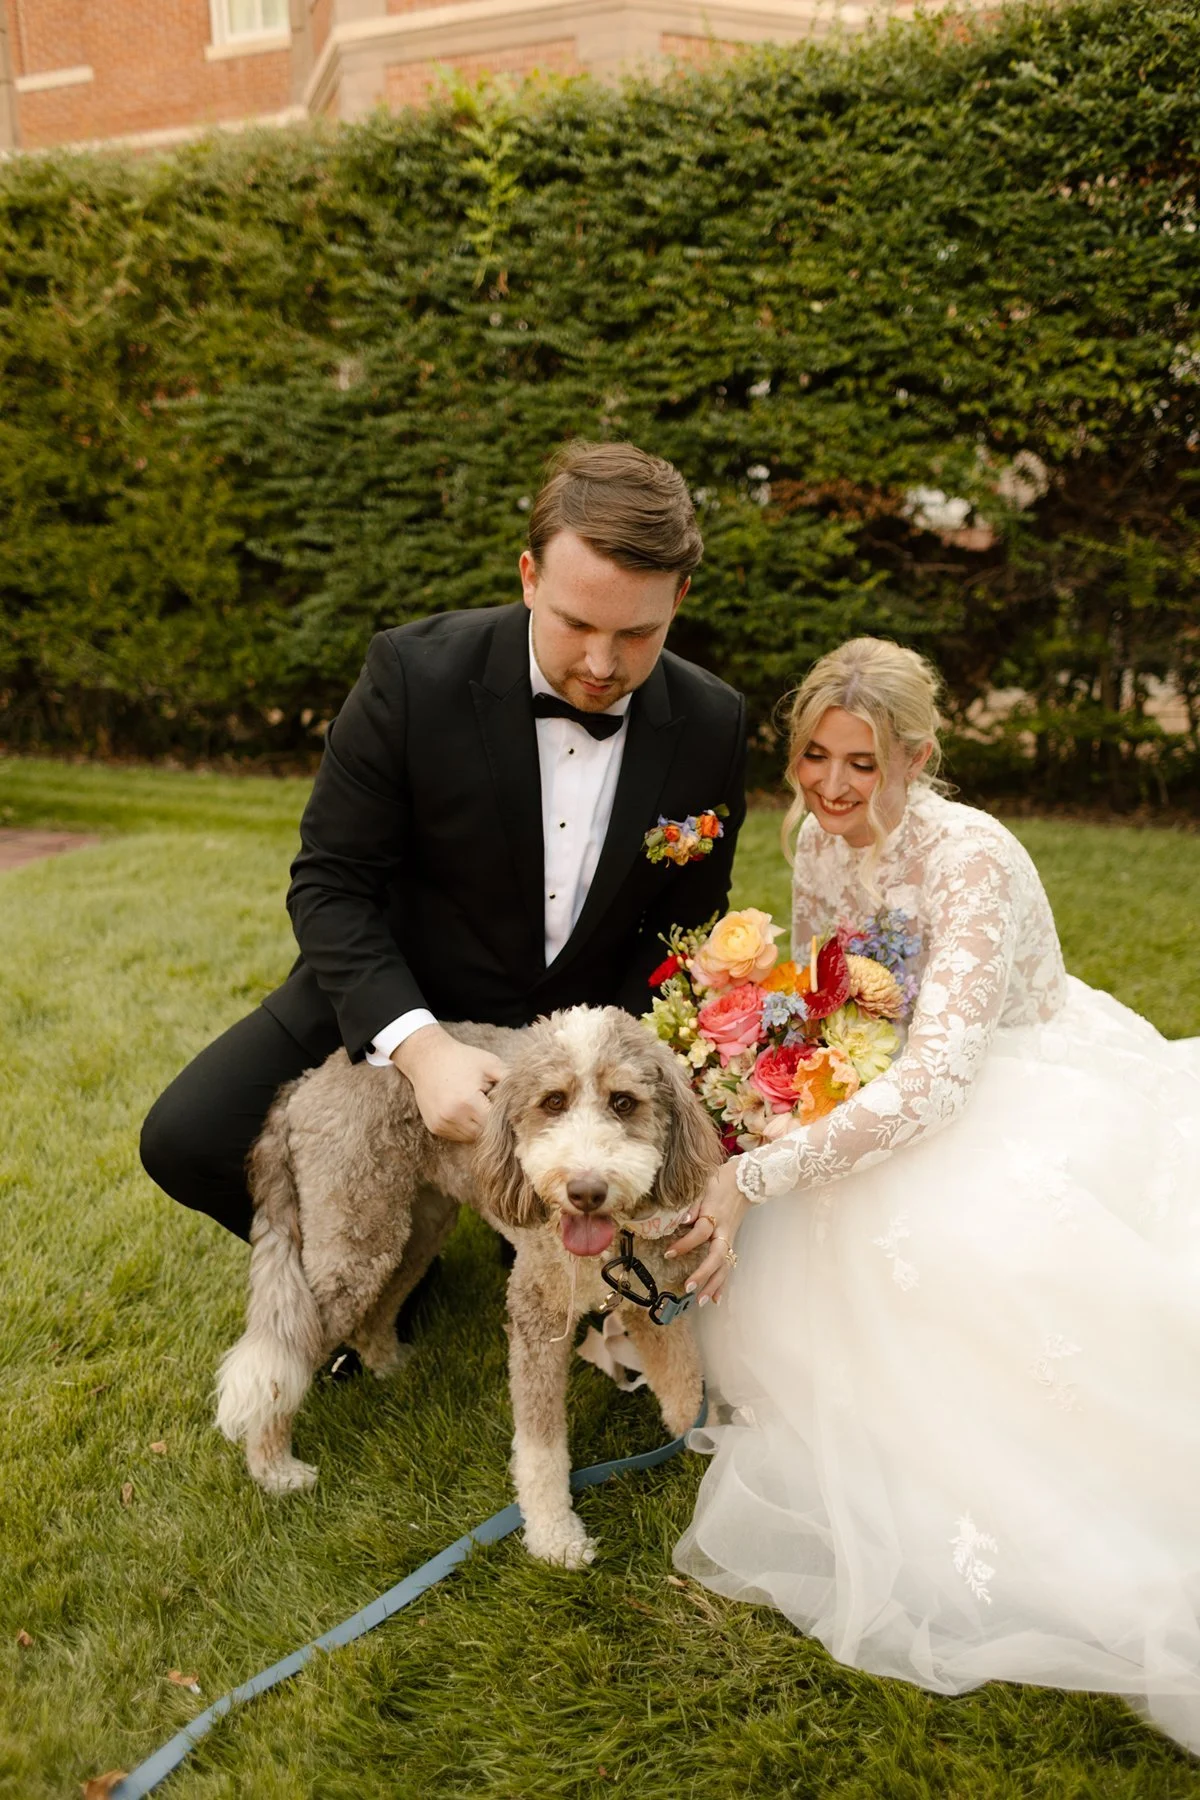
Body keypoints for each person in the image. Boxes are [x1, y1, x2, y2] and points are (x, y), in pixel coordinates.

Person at [667, 636, 1200, 1754]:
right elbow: (821, 996)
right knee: (819, 1224)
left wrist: (756, 1169)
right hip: (879, 1077)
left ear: (918, 758)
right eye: (815, 756)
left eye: (862, 763)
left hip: (1008, 1087)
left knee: (943, 1245)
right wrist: (774, 1089)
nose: (832, 786)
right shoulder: (814, 836)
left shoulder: (973, 860)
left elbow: (943, 1079)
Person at [140, 440, 746, 1249]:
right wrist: (421, 1051)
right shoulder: (411, 674)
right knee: (187, 1140)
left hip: (571, 1041)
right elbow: (330, 884)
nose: (602, 664)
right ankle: (385, 1262)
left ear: (680, 597)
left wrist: (601, 1104)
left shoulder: (712, 721)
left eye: (637, 633)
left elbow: (684, 931)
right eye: (576, 624)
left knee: (569, 1228)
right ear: (530, 577)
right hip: (401, 985)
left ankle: (518, 1229)